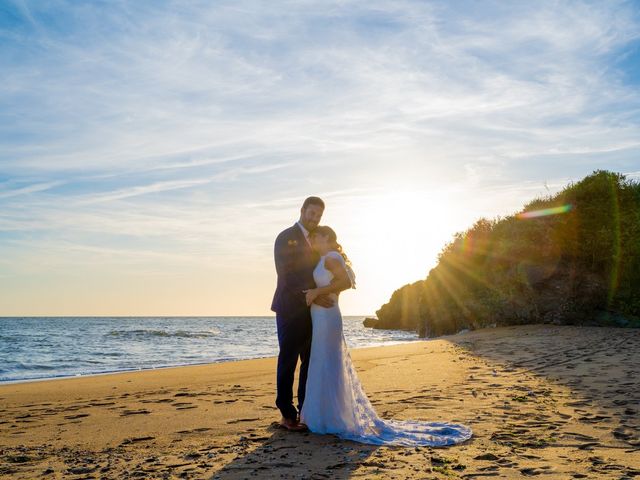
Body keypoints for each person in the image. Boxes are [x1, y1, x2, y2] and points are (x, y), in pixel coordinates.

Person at [300, 226, 473, 446]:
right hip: (321, 316)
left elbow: (345, 282)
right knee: (322, 361)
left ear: (327, 237)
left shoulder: (332, 257)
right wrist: (316, 294)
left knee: (327, 361)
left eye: (316, 236)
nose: (313, 239)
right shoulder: (324, 258)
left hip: (328, 316)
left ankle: (331, 418)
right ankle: (323, 415)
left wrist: (318, 292)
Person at [271, 196, 334, 431]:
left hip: (313, 312)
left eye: (318, 215)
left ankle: (305, 409)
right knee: (288, 360)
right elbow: (286, 274)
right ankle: (287, 414)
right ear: (302, 210)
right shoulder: (286, 237)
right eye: (311, 213)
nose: (314, 218)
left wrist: (322, 293)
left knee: (309, 361)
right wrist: (312, 294)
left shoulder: (318, 241)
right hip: (289, 308)